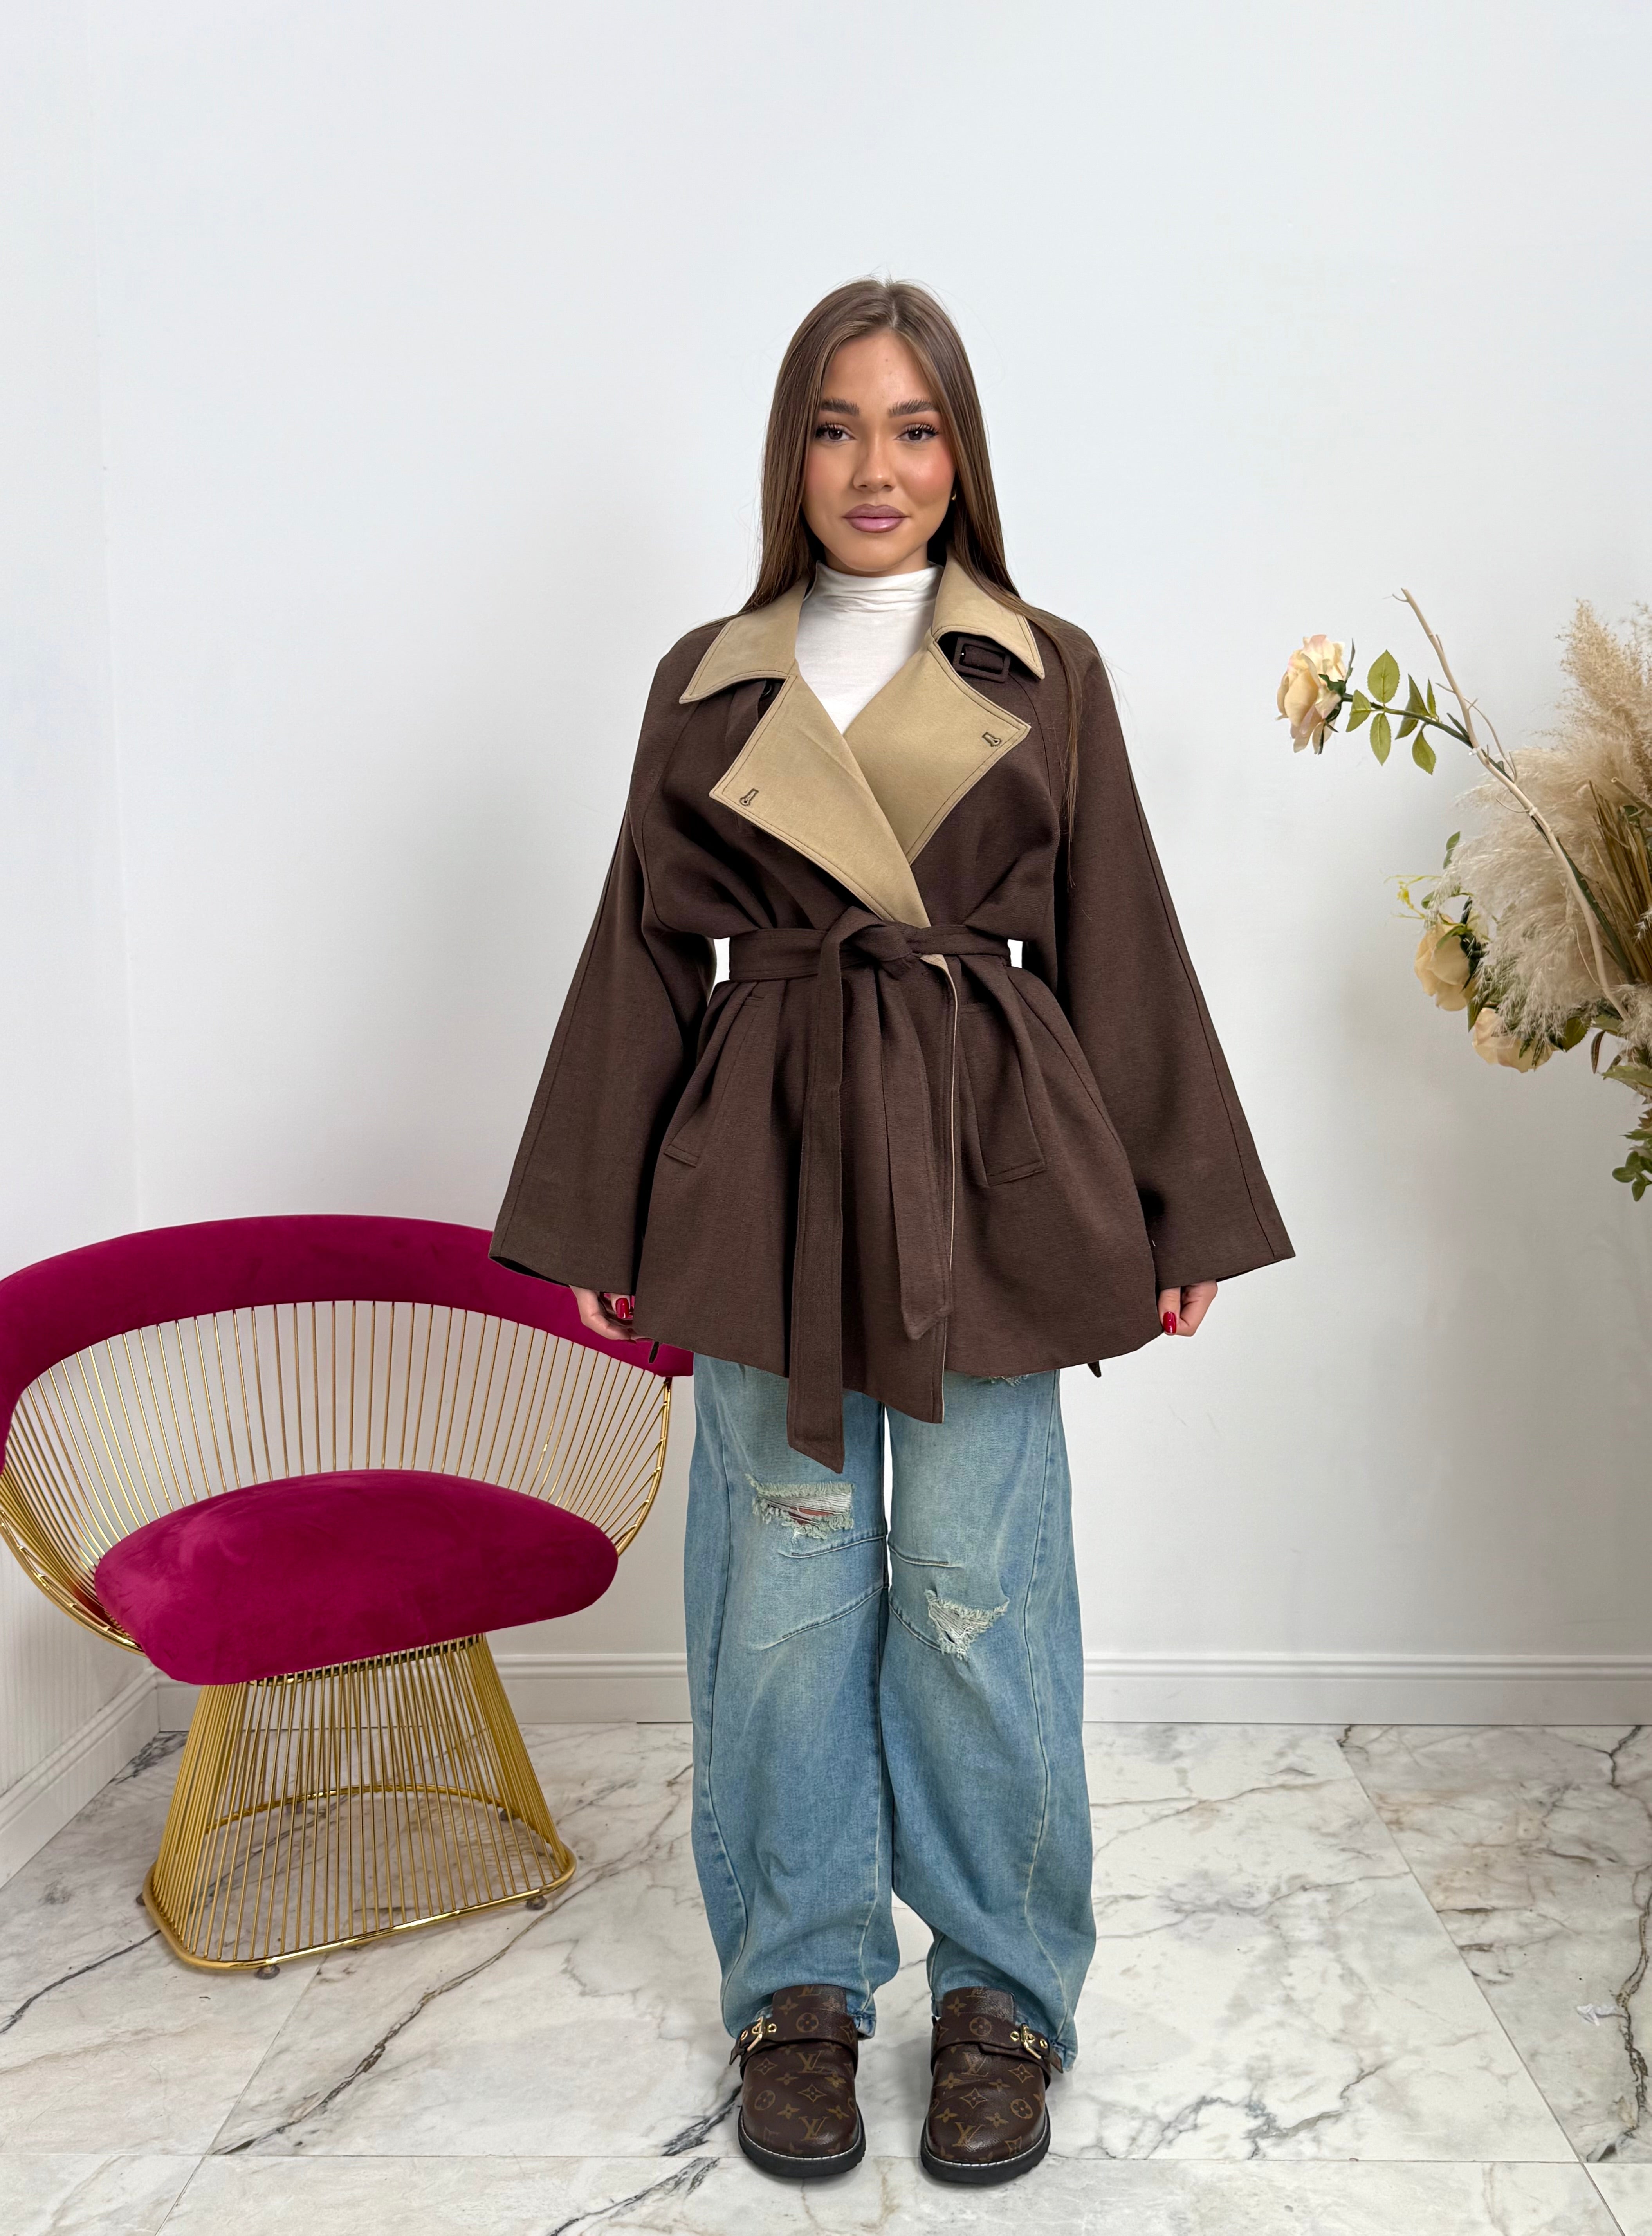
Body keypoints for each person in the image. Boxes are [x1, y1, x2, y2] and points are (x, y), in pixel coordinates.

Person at [491, 278, 1291, 2186]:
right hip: (763, 1164)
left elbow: (1118, 929)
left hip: (985, 1163)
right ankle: (799, 1987)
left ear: (962, 452)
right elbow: (642, 944)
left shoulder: (1045, 668)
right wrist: (605, 1197)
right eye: (838, 426)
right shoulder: (710, 677)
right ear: (792, 454)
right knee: (779, 1597)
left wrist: (1176, 1196)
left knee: (978, 1587)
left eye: (915, 427)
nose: (877, 466)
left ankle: (1005, 1994)